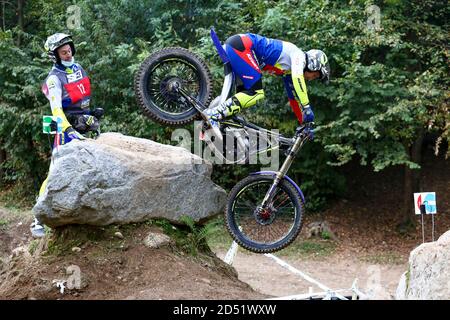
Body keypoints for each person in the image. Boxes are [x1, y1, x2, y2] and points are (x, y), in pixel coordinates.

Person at [30, 33, 103, 237]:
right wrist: (67, 129)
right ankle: (37, 220)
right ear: (55, 55)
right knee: (55, 170)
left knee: (91, 166)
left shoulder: (78, 68)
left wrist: (91, 113)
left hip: (85, 124)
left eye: (69, 48)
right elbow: (56, 109)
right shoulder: (54, 78)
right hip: (65, 128)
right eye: (62, 50)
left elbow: (81, 96)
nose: (67, 51)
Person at [203, 33, 330, 136]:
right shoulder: (298, 55)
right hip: (242, 46)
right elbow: (298, 78)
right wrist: (307, 106)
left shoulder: (289, 70)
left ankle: (215, 117)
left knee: (243, 97)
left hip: (238, 46)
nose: (313, 78)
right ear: (314, 64)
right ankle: (213, 115)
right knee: (256, 93)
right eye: (317, 75)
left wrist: (304, 123)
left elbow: (293, 99)